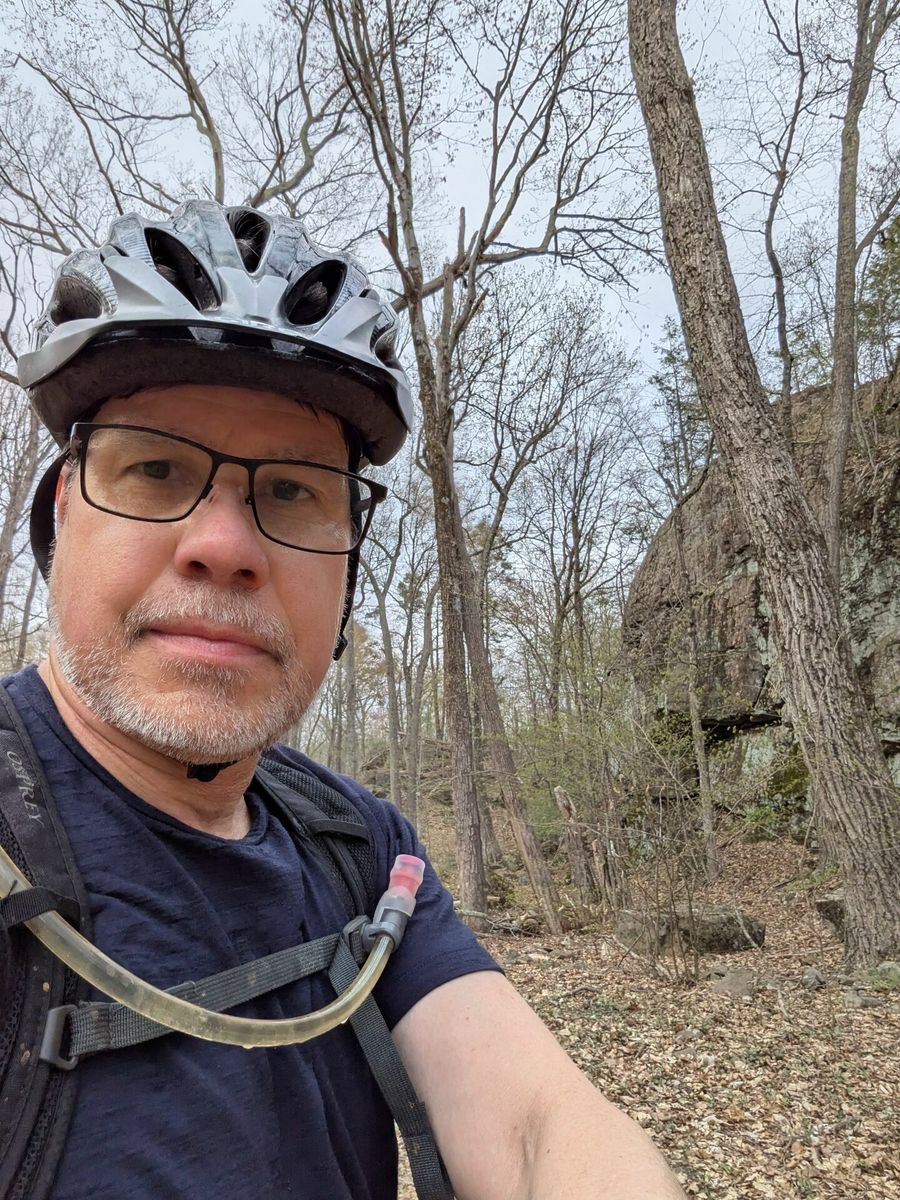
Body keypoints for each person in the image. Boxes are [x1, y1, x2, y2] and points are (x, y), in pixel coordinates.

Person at [2, 200, 685, 1199]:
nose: (224, 547)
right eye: (153, 468)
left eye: (291, 491)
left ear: (350, 567)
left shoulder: (357, 845)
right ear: (61, 512)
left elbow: (537, 1125)